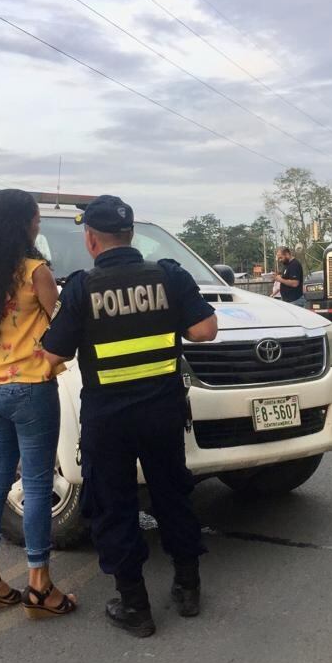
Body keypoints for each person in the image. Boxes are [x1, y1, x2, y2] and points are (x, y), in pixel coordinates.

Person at [42, 194, 218, 638]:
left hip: (110, 420)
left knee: (115, 506)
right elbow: (204, 330)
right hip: (161, 412)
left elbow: (53, 354)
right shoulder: (168, 276)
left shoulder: (82, 288)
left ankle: (135, 606)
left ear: (91, 239)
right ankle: (188, 587)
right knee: (172, 495)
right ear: (131, 234)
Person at [0, 189, 77, 619]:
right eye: (36, 217)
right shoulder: (36, 272)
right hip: (29, 389)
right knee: (39, 486)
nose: (39, 223)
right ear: (23, 222)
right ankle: (39, 585)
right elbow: (64, 324)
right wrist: (55, 356)